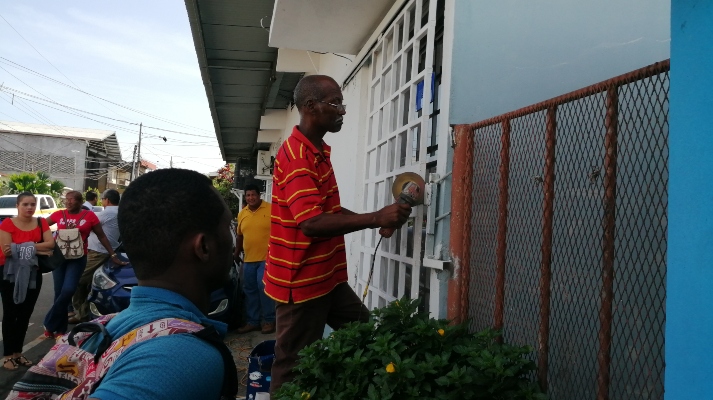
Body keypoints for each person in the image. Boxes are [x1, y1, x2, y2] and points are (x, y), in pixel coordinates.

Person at [264, 75, 412, 392]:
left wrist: (376, 218)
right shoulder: (297, 156)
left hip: (326, 279)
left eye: (341, 102)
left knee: (362, 333)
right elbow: (312, 223)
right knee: (291, 367)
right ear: (309, 106)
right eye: (335, 103)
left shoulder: (317, 151)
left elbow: (326, 211)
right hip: (301, 285)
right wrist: (375, 218)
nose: (342, 110)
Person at [80, 168, 236, 399]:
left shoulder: (117, 326)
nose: (232, 241)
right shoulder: (181, 356)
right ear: (203, 247)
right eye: (227, 228)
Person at [43, 190, 123, 338]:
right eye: (66, 199)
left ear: (80, 202)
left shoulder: (90, 216)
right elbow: (42, 227)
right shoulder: (58, 214)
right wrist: (45, 244)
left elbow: (102, 236)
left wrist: (113, 255)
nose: (68, 202)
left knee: (68, 290)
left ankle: (49, 321)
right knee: (59, 292)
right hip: (59, 258)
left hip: (78, 258)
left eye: (72, 200)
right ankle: (59, 329)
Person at [0, 192, 55, 370]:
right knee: (10, 313)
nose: (29, 208)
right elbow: (7, 252)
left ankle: (18, 353)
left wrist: (21, 248)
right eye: (25, 204)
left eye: (32, 204)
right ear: (18, 205)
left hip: (33, 274)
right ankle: (8, 355)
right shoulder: (7, 224)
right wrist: (37, 249)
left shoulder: (41, 222)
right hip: (9, 274)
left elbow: (51, 245)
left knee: (25, 314)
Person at [69, 189, 121, 324]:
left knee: (77, 280)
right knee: (89, 282)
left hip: (98, 252)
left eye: (102, 199)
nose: (102, 201)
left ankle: (81, 313)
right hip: (105, 250)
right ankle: (85, 310)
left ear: (107, 200)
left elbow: (87, 223)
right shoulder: (119, 212)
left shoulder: (108, 213)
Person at [234, 184, 275, 334]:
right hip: (249, 259)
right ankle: (253, 322)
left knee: (263, 287)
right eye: (248, 195)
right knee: (249, 290)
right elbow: (239, 235)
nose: (251, 198)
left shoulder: (271, 209)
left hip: (267, 257)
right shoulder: (242, 213)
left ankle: (269, 321)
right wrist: (237, 252)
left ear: (260, 195)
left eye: (253, 195)